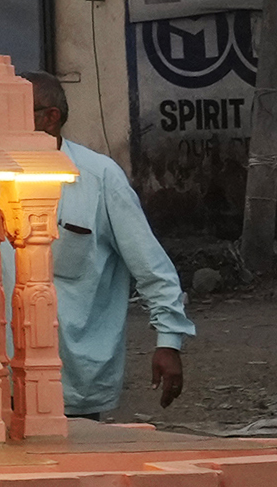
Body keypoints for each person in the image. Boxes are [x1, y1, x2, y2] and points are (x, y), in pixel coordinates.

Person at [26, 73, 189, 419]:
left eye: (13, 113)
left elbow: (151, 266)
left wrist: (168, 342)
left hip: (71, 378)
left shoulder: (99, 178)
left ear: (50, 118)